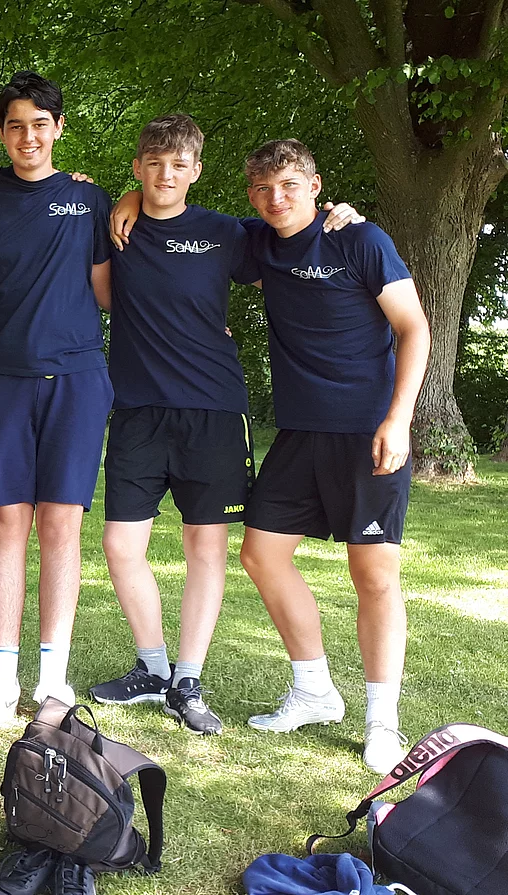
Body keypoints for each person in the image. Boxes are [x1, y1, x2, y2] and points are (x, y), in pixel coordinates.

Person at [86, 117, 366, 734]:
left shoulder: (227, 233)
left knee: (204, 546)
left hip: (213, 410)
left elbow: (297, 239)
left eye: (178, 164)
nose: (165, 175)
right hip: (135, 410)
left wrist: (337, 216)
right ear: (137, 168)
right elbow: (101, 290)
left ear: (196, 170)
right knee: (120, 547)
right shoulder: (114, 227)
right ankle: (152, 668)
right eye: (153, 164)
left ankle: (187, 678)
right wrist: (126, 202)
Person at [231, 139, 429, 773]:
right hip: (299, 432)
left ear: (315, 187)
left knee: (373, 574)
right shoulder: (258, 245)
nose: (276, 198)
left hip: (367, 431)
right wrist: (128, 197)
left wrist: (398, 420)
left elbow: (414, 327)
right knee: (261, 554)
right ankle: (314, 690)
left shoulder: (359, 239)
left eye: (289, 185)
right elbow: (179, 223)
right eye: (263, 189)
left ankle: (382, 722)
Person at [0, 72, 114, 732]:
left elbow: (108, 291)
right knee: (8, 522)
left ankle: (51, 678)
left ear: (59, 128)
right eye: (15, 125)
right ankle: (2, 677)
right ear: (2, 133)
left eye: (40, 124)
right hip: (5, 376)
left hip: (77, 376)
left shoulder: (90, 198)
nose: (28, 136)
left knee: (61, 525)